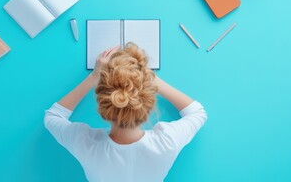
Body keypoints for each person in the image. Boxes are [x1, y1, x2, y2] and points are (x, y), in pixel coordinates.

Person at [44, 43, 207, 182]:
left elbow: (53, 116)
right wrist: (151, 79)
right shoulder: (167, 143)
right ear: (148, 105)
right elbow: (198, 113)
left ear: (103, 106)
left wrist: (94, 76)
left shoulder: (86, 144)